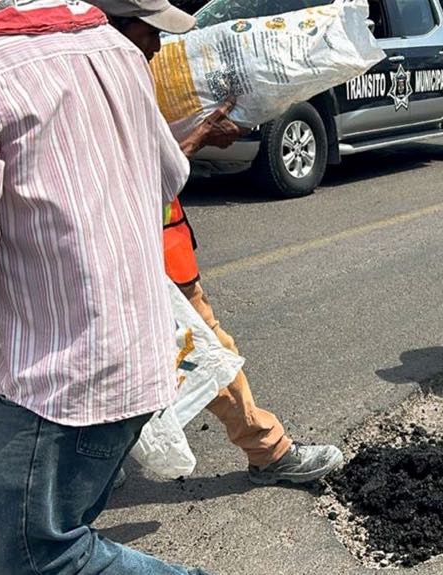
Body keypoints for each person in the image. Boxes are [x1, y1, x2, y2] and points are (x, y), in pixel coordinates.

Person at [0, 1, 212, 573]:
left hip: (56, 375)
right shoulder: (108, 41)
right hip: (135, 348)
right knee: (63, 532)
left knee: (38, 558)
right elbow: (171, 175)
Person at [108, 14, 344, 485]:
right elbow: (138, 175)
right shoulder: (106, 84)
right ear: (114, 25)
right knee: (206, 350)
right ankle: (269, 452)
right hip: (146, 252)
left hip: (154, 245)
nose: (159, 41)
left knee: (138, 359)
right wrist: (199, 138)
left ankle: (89, 468)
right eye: (148, 29)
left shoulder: (117, 76)